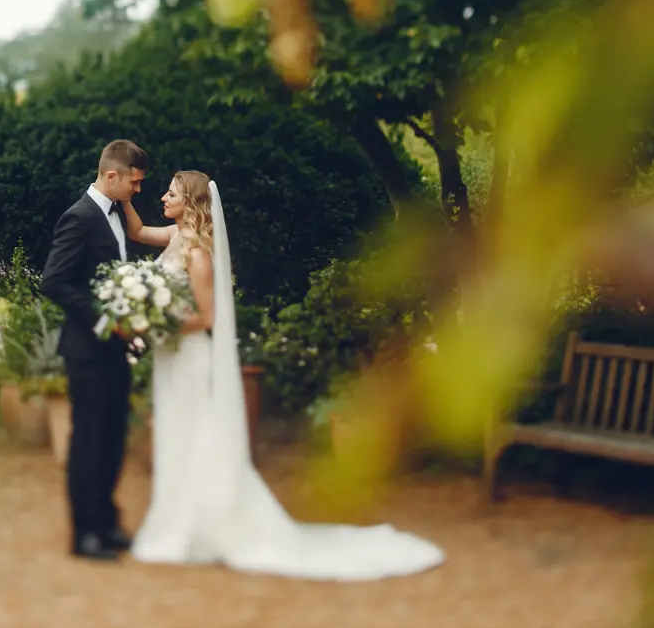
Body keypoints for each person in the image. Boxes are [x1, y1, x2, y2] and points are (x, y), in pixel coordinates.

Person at [122, 170, 446, 580]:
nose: (163, 197)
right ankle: (179, 526)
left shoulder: (199, 254)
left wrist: (159, 324)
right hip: (172, 360)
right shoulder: (174, 240)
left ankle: (201, 529)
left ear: (192, 203)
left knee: (197, 437)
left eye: (172, 193)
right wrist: (124, 190)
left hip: (190, 359)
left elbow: (209, 316)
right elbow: (135, 231)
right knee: (176, 436)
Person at [40, 139, 149, 561]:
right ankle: (84, 533)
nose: (137, 190)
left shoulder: (119, 213)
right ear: (111, 176)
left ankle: (107, 521)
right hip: (87, 349)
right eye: (134, 183)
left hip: (114, 351)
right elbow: (54, 282)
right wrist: (105, 321)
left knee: (113, 437)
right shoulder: (80, 217)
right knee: (87, 440)